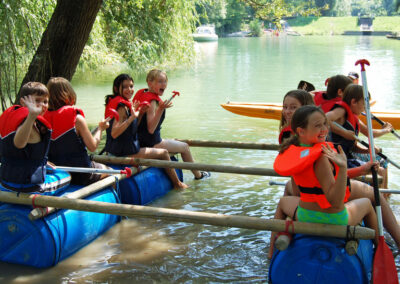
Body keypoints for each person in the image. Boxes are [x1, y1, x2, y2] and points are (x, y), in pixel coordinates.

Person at [269, 105, 379, 258]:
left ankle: (271, 254)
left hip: (305, 215)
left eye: (324, 124)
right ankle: (380, 248)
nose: (324, 129)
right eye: (317, 126)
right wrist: (342, 167)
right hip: (334, 219)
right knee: (367, 203)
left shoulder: (295, 152)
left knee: (283, 202)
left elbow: (296, 192)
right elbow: (335, 201)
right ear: (301, 131)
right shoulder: (321, 157)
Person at [104, 74, 188, 189]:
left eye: (131, 86)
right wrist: (131, 118)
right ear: (116, 88)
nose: (129, 90)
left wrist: (140, 114)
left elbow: (130, 129)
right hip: (123, 153)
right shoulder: (121, 107)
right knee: (163, 153)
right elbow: (114, 133)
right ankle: (177, 184)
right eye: (125, 87)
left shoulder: (122, 102)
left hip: (119, 149)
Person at [133, 69, 210, 180]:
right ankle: (199, 175)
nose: (164, 84)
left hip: (138, 140)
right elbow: (150, 129)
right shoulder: (152, 102)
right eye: (160, 81)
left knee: (175, 142)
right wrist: (160, 109)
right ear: (149, 82)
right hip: (150, 143)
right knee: (185, 147)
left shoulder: (141, 92)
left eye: (165, 81)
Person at [44, 77, 110, 185]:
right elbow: (93, 147)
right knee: (111, 172)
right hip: (81, 174)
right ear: (68, 94)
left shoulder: (41, 120)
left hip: (58, 173)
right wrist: (100, 129)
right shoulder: (77, 119)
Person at [326, 84, 389, 188]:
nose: (365, 108)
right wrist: (344, 133)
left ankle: (385, 198)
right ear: (353, 102)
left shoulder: (353, 116)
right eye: (364, 105)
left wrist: (367, 150)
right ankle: (380, 200)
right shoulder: (341, 111)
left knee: (380, 169)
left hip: (347, 156)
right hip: (338, 160)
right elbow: (324, 119)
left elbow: (353, 146)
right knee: (380, 171)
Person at [0, 82, 52, 192]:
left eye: (45, 101)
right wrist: (31, 117)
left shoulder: (14, 118)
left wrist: (43, 162)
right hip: (29, 186)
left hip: (5, 182)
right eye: (37, 100)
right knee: (65, 176)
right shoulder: (29, 123)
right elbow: (19, 144)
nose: (43, 105)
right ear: (23, 102)